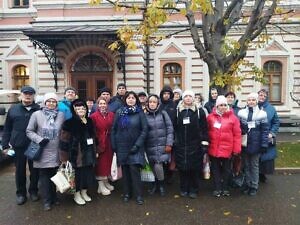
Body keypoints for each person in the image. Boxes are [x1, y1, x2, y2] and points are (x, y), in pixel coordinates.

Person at [1, 86, 40, 205]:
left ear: (34, 96)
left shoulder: (38, 109)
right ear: (21, 95)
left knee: (34, 170)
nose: (28, 96)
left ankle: (33, 191)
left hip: (34, 144)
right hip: (19, 144)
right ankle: (21, 193)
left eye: (30, 94)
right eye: (25, 94)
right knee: (20, 170)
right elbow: (7, 128)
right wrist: (4, 144)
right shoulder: (13, 109)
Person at [26, 93, 65, 211]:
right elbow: (29, 131)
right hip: (42, 150)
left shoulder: (61, 115)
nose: (51, 103)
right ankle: (47, 201)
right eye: (49, 101)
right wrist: (39, 139)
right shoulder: (36, 114)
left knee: (55, 175)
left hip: (56, 150)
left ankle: (54, 197)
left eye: (54, 101)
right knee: (44, 177)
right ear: (44, 102)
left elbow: (64, 131)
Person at [111, 91, 148, 205]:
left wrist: (137, 145)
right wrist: (114, 145)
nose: (131, 99)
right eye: (128, 98)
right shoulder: (120, 112)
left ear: (136, 100)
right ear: (125, 100)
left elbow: (145, 130)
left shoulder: (140, 113)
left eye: (133, 98)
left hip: (135, 147)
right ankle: (127, 193)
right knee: (125, 172)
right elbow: (114, 129)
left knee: (134, 171)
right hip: (122, 146)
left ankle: (138, 195)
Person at [60, 99, 96, 205]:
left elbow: (94, 136)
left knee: (87, 174)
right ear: (74, 110)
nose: (81, 110)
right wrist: (64, 158)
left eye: (83, 108)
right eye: (78, 108)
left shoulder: (89, 121)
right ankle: (77, 194)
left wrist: (96, 150)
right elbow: (64, 141)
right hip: (76, 155)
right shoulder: (69, 123)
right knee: (77, 176)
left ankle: (84, 191)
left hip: (89, 153)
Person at [174, 90, 209, 199]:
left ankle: (194, 189)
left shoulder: (199, 112)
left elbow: (204, 128)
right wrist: (175, 142)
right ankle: (184, 188)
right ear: (183, 98)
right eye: (186, 96)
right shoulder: (177, 111)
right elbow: (174, 128)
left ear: (193, 98)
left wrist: (204, 144)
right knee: (182, 168)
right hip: (181, 145)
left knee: (194, 168)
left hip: (195, 145)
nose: (188, 98)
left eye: (190, 96)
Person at [207, 95, 241, 197]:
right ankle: (217, 188)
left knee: (227, 170)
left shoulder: (233, 118)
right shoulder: (210, 117)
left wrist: (236, 149)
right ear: (216, 106)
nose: (223, 107)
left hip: (228, 149)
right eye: (220, 105)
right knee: (215, 169)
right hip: (214, 148)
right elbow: (206, 132)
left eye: (225, 105)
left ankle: (225, 188)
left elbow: (237, 134)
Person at [238, 92, 269, 196]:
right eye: (249, 100)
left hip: (257, 144)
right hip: (245, 143)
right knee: (246, 165)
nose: (251, 101)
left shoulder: (262, 114)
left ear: (256, 101)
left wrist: (264, 144)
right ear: (247, 101)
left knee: (254, 166)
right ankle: (247, 184)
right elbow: (239, 129)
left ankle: (254, 186)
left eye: (253, 100)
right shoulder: (241, 113)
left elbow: (265, 131)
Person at [144, 94, 174, 196]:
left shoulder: (163, 114)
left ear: (158, 104)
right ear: (147, 103)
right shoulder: (144, 115)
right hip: (149, 146)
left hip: (162, 145)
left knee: (158, 166)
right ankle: (154, 185)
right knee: (152, 166)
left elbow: (170, 129)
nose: (152, 104)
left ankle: (161, 185)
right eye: (150, 102)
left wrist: (169, 143)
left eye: (154, 102)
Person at [90, 97, 115, 196]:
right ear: (97, 105)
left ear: (107, 104)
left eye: (104, 103)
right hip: (99, 142)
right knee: (100, 164)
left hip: (109, 141)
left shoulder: (111, 114)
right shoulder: (93, 116)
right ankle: (100, 186)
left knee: (107, 163)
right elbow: (92, 132)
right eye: (100, 103)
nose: (102, 105)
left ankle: (106, 182)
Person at [258, 89, 280, 183]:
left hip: (267, 136)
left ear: (266, 97)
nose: (261, 97)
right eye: (260, 95)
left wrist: (272, 132)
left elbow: (276, 122)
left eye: (264, 96)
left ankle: (263, 174)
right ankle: (256, 175)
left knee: (266, 157)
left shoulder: (271, 108)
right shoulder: (253, 105)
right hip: (256, 136)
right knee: (255, 156)